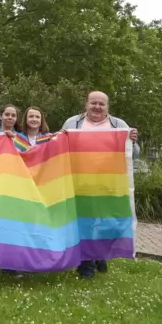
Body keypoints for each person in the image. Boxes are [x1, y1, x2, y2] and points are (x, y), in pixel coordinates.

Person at [61, 91, 140, 279]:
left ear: (107, 107)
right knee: (84, 223)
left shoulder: (119, 125)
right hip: (81, 183)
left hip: (108, 184)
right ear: (86, 104)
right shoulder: (72, 123)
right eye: (93, 103)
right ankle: (86, 265)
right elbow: (61, 149)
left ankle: (100, 254)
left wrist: (134, 142)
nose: (97, 107)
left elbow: (133, 155)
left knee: (107, 223)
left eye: (101, 104)